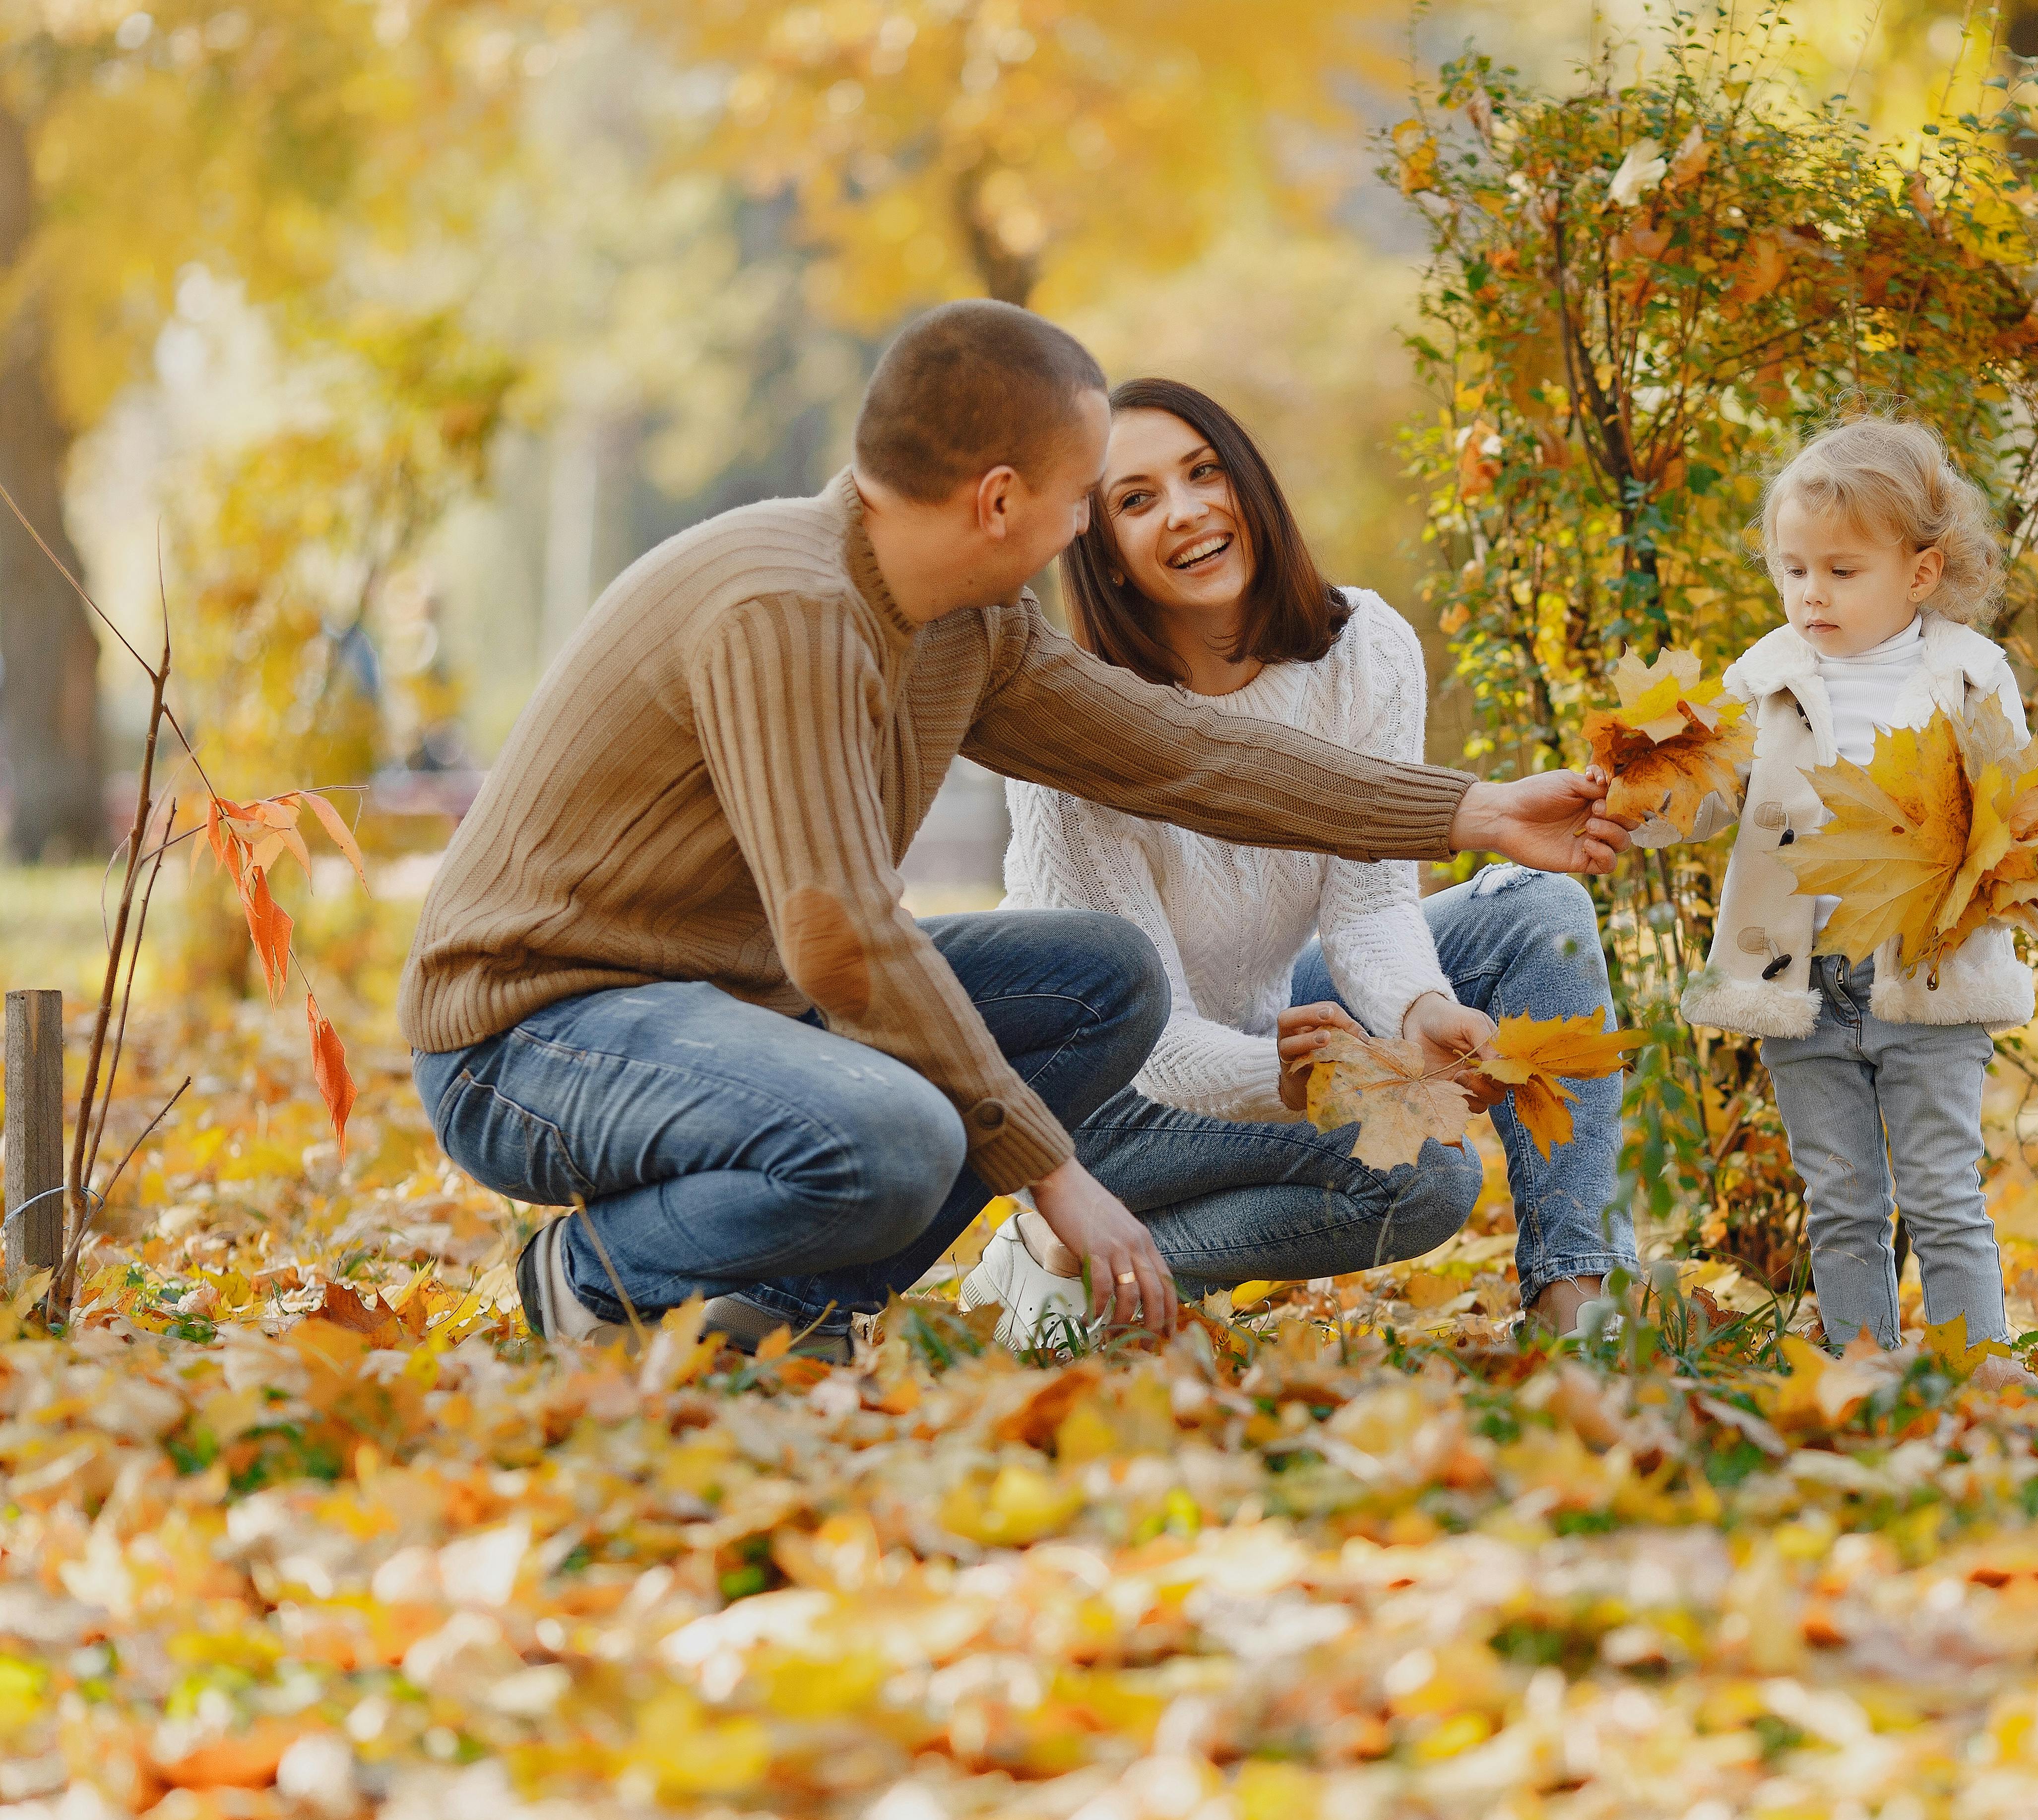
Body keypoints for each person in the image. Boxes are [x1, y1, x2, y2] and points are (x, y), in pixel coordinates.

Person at [399, 303, 1629, 1363]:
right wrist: (1056, 1178)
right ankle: (595, 1277)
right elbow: (843, 941)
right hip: (536, 1037)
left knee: (1101, 980)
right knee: (897, 1134)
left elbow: (1188, 756)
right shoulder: (786, 610)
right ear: (1001, 501)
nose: (1094, 529)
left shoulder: (969, 625)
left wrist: (1469, 812)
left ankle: (792, 1310)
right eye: (1092, 495)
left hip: (729, 1013)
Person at [970, 378, 1638, 1348]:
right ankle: (1068, 1255)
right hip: (1093, 1098)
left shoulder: (1363, 648)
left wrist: (1422, 1012)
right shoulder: (1075, 733)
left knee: (1538, 908)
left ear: (1248, 482)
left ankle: (1578, 1306)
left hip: (1272, 1020)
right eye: (1138, 498)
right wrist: (1314, 1083)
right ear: (1101, 551)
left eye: (1204, 473)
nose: (1189, 511)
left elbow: (1367, 906)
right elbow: (1154, 1045)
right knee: (1426, 1175)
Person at [1638, 415, 2022, 1352]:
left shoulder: (1971, 676)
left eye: (1843, 572)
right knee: (1842, 1196)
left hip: (1926, 980)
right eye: (1793, 568)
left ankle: (1978, 1375)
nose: (1812, 594)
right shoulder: (1766, 676)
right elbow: (1718, 794)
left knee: (1941, 1192)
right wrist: (1648, 797)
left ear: (1920, 573)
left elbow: (2015, 820)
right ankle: (1861, 1372)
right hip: (1801, 986)